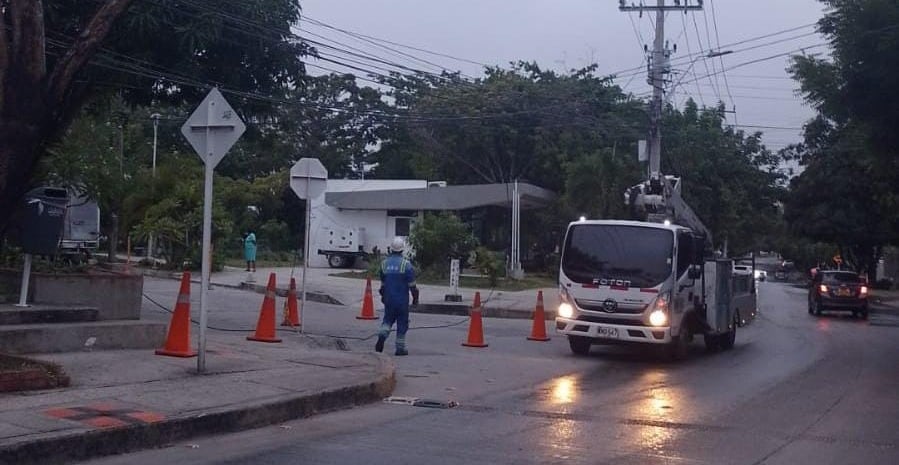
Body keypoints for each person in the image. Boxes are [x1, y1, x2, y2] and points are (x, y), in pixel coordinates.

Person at [375, 237, 419, 356]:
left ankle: (382, 335)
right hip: (402, 301)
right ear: (402, 249)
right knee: (402, 322)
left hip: (389, 299)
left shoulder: (384, 264)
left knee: (387, 320)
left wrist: (384, 297)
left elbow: (383, 285)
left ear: (391, 249)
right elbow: (413, 287)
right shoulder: (406, 265)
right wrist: (415, 299)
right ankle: (400, 348)